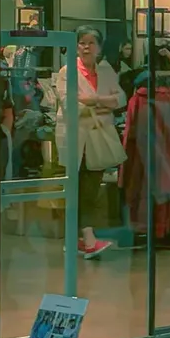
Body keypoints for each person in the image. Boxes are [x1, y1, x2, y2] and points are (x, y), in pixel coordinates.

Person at [55, 25, 122, 258]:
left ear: (99, 47)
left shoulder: (106, 70)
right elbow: (71, 105)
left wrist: (93, 99)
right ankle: (86, 239)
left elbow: (120, 98)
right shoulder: (67, 71)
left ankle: (78, 240)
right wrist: (104, 104)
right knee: (80, 189)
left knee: (91, 188)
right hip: (76, 137)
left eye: (90, 43)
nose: (85, 47)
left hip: (99, 137)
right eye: (82, 42)